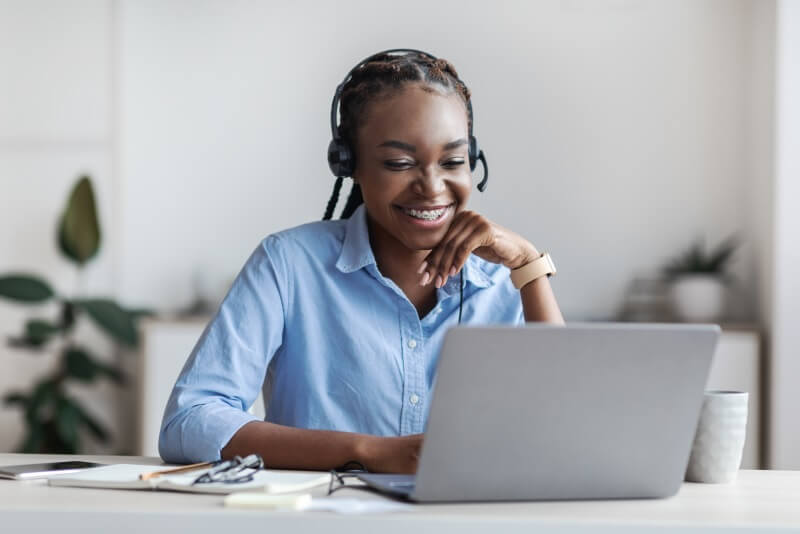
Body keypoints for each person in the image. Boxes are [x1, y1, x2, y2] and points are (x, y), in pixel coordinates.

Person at [159, 50, 564, 474]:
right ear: (348, 164)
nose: (432, 187)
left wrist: (529, 266)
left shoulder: (507, 281)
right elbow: (190, 420)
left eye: (453, 161)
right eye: (399, 163)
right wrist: (371, 452)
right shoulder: (288, 265)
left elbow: (571, 432)